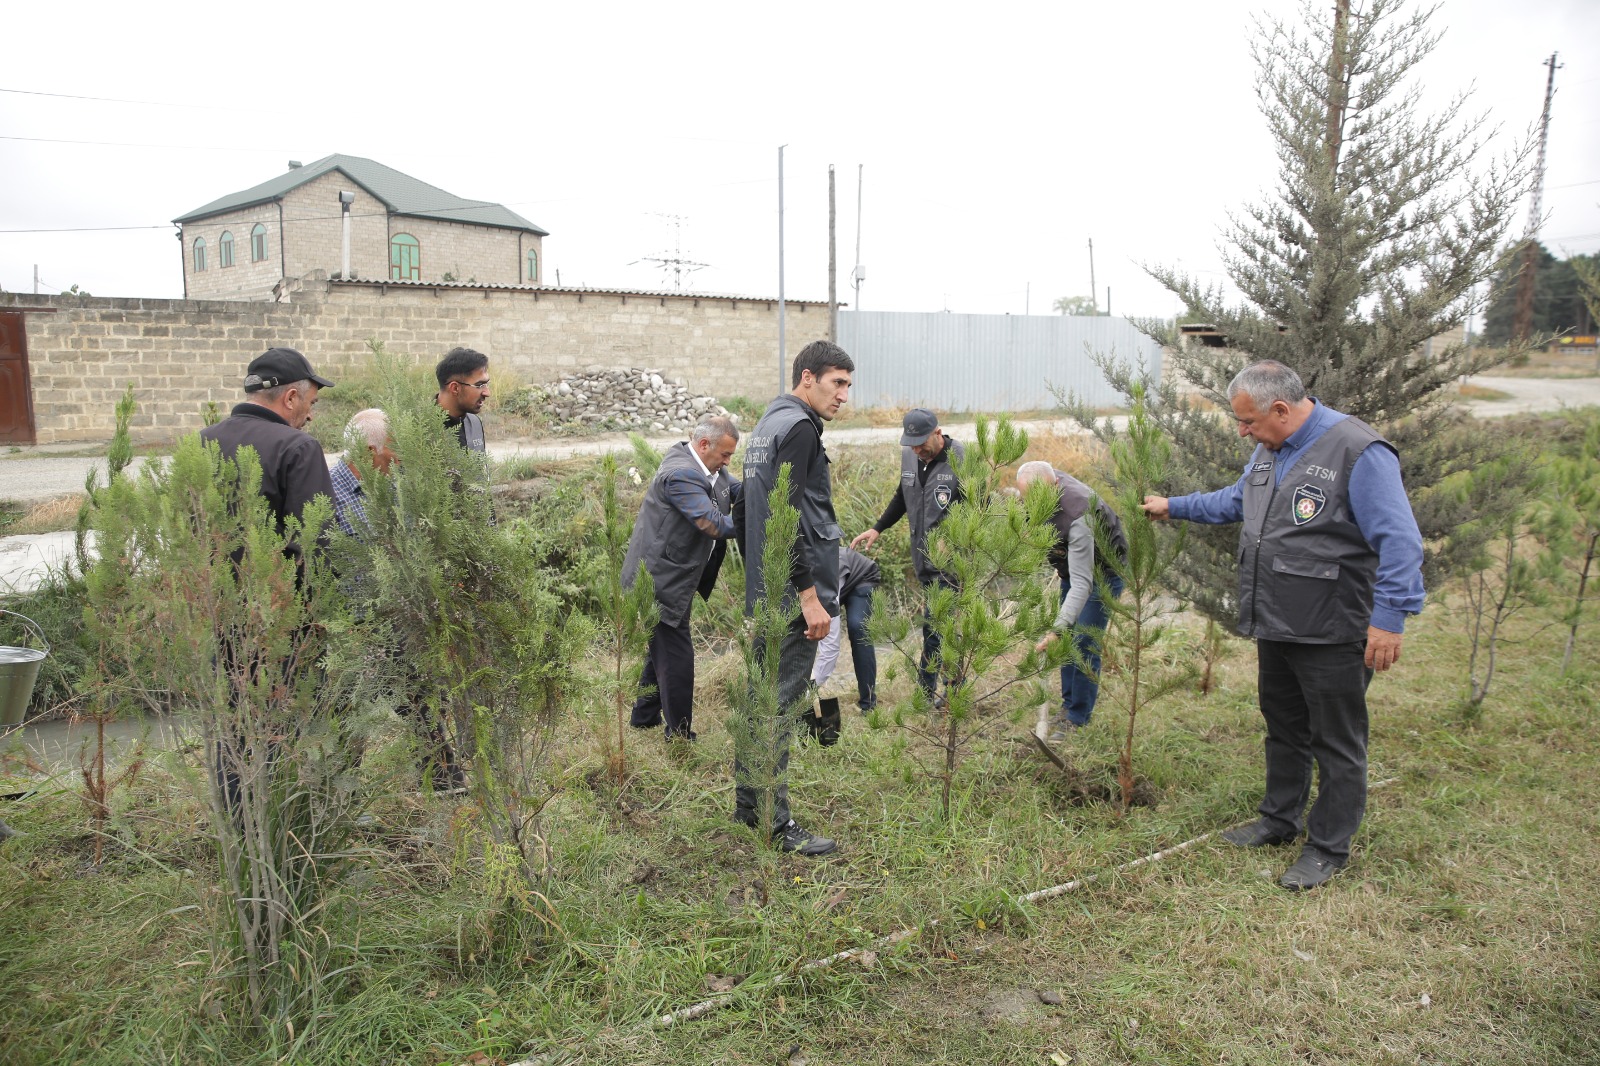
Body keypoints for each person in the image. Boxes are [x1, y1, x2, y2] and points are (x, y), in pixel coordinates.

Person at [1141, 360, 1424, 892]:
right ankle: (1279, 818)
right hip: (1277, 621)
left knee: (1336, 741)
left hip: (1334, 629)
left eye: (1248, 422)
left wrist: (1389, 619)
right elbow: (1236, 500)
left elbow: (1401, 541)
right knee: (1284, 726)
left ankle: (1327, 847)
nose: (1243, 432)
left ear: (1280, 409)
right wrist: (1173, 506)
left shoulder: (1358, 452)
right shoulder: (1269, 448)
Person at [198, 346, 337, 815]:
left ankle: (239, 822)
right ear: (291, 398)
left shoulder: (203, 442)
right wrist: (322, 620)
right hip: (282, 620)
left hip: (221, 613)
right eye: (312, 404)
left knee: (235, 721)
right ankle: (284, 823)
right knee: (288, 720)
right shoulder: (297, 448)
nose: (311, 415)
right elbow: (314, 544)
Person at [735, 339, 855, 856]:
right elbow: (788, 516)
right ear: (808, 377)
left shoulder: (767, 425)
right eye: (838, 383)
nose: (844, 395)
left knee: (761, 698)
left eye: (848, 385)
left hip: (766, 588)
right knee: (780, 706)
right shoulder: (801, 428)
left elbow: (748, 509)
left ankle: (748, 807)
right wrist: (809, 594)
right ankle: (774, 824)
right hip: (792, 593)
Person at [329, 409, 465, 792]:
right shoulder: (325, 491)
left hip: (396, 619)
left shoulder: (392, 484)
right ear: (369, 448)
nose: (401, 455)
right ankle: (338, 793)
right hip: (352, 627)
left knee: (420, 696)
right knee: (347, 709)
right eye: (395, 447)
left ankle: (443, 778)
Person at [621, 415, 742, 742]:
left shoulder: (707, 467)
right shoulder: (682, 475)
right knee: (676, 656)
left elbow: (733, 489)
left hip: (675, 576)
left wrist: (762, 488)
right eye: (725, 455)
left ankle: (643, 716)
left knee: (662, 648)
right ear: (704, 444)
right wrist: (758, 521)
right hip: (658, 582)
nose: (728, 462)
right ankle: (679, 734)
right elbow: (713, 522)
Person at [851, 409, 962, 702]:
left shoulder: (962, 459)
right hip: (922, 559)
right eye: (910, 443)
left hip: (950, 562)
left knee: (936, 627)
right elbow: (903, 495)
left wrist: (953, 539)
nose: (916, 449)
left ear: (938, 433)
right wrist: (878, 528)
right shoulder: (910, 456)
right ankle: (945, 690)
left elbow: (981, 507)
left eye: (921, 443)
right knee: (939, 627)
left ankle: (932, 693)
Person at [1016, 460, 1128, 740]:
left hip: (1103, 572)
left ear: (1055, 485)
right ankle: (1068, 706)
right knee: (1067, 640)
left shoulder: (1078, 515)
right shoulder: (1033, 490)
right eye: (1028, 499)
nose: (1033, 506)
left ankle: (1077, 716)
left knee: (1084, 640)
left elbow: (1082, 584)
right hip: (1073, 569)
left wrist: (1056, 628)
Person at [805, 545, 881, 745]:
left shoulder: (827, 577)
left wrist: (810, 689)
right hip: (830, 583)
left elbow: (830, 646)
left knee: (858, 628)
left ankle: (868, 703)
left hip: (860, 576)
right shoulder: (797, 573)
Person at [328, 408, 397, 537]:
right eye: (395, 448)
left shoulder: (396, 484)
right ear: (369, 452)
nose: (400, 456)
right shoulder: (328, 495)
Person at [435, 347, 490, 452]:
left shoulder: (475, 423)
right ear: (455, 388)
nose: (487, 393)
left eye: (487, 384)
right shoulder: (414, 428)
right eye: (479, 385)